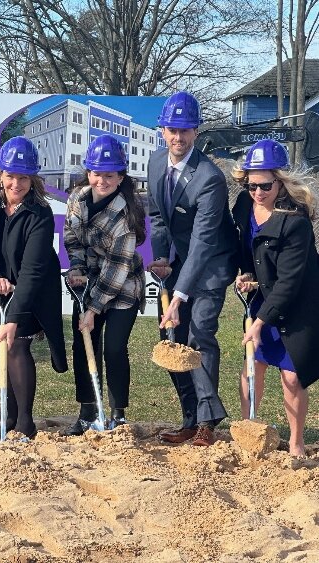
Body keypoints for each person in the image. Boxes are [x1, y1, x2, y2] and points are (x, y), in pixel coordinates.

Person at [147, 91, 238, 447]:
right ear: (163, 131)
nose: (178, 137)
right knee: (172, 339)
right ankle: (188, 418)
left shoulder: (209, 178)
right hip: (181, 261)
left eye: (185, 130)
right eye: (172, 129)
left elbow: (203, 242)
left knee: (199, 334)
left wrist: (179, 295)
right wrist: (162, 257)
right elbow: (157, 216)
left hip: (211, 263)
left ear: (196, 132)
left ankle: (206, 423)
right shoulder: (156, 162)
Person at [0, 136, 67, 439]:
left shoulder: (40, 212)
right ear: (0, 174)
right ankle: (7, 419)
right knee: (3, 345)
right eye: (10, 176)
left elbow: (33, 270)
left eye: (24, 178)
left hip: (30, 291)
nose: (16, 184)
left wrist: (14, 316)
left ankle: (24, 424)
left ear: (33, 179)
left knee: (16, 343)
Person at [231, 139, 319, 457]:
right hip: (263, 296)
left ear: (280, 181)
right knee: (253, 364)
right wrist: (246, 274)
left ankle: (296, 444)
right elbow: (248, 250)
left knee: (292, 377)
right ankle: (248, 433)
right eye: (251, 185)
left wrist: (259, 322)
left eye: (265, 185)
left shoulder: (295, 222)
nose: (257, 192)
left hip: (299, 305)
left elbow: (290, 282)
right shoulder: (244, 205)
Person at [62, 135, 146, 435]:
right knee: (84, 344)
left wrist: (93, 309)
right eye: (97, 173)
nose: (102, 181)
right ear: (88, 172)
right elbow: (71, 237)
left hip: (123, 286)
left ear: (121, 177)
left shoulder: (126, 215)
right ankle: (87, 412)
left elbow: (117, 267)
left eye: (110, 175)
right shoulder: (77, 199)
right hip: (88, 282)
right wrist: (77, 268)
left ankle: (117, 415)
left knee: (114, 348)